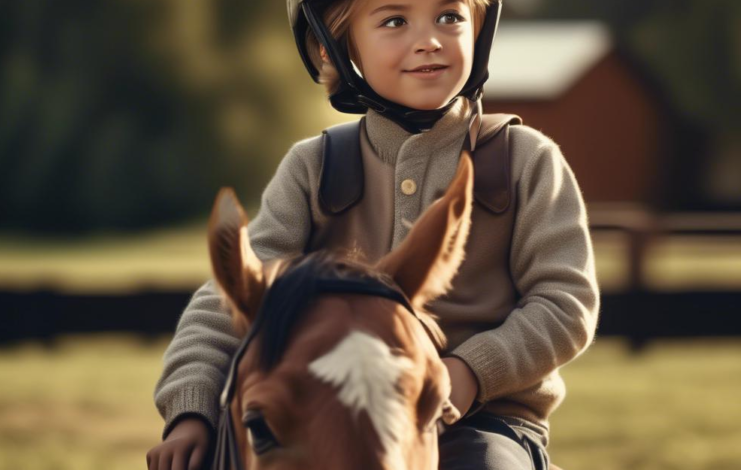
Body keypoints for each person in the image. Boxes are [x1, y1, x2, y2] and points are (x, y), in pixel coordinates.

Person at [146, 0, 600, 469]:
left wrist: (471, 371)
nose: (429, 39)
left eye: (450, 17)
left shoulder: (524, 160)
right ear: (333, 49)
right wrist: (191, 411)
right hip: (331, 410)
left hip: (486, 420)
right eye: (395, 21)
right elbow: (229, 302)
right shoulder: (314, 168)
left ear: (479, 30)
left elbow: (564, 302)